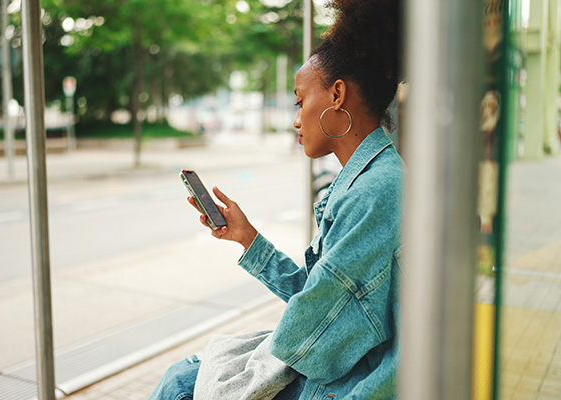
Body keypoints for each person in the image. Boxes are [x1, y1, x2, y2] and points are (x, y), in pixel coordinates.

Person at [149, 0, 403, 398]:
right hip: (341, 372)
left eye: (300, 101)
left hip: (345, 384)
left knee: (182, 383)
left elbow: (312, 331)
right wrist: (248, 239)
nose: (296, 119)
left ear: (338, 94)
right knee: (186, 375)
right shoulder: (371, 179)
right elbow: (324, 302)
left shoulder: (375, 192)